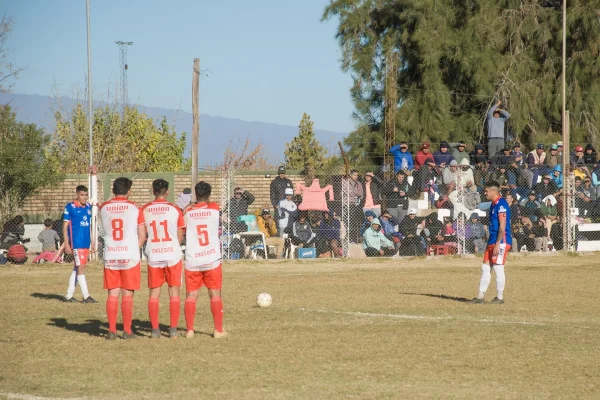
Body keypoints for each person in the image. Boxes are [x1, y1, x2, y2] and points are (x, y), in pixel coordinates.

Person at [99, 177, 146, 340]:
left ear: (113, 190)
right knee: (127, 294)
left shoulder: (104, 208)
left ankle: (111, 331)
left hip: (111, 254)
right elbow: (142, 234)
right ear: (129, 191)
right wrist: (134, 249)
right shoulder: (135, 208)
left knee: (113, 293)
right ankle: (127, 330)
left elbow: (104, 207)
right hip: (129, 255)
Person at [141, 179, 185, 339]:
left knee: (154, 293)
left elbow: (141, 232)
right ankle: (173, 330)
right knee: (174, 293)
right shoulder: (175, 209)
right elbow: (180, 234)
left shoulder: (145, 209)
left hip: (154, 253)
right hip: (172, 254)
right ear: (167, 192)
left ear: (153, 192)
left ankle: (154, 330)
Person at [183, 181, 226, 339]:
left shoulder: (187, 212)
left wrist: (191, 206)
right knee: (215, 295)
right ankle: (218, 330)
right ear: (209, 194)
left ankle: (189, 330)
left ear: (195, 194)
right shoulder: (214, 208)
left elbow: (186, 218)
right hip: (211, 259)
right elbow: (210, 204)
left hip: (193, 259)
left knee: (191, 296)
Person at [471, 180, 511, 304]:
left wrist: (498, 243)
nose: (485, 193)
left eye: (487, 191)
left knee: (499, 268)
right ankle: (480, 297)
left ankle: (499, 298)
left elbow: (502, 227)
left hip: (501, 240)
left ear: (493, 191)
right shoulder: (493, 204)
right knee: (485, 267)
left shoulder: (501, 205)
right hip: (492, 239)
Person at [62, 185, 97, 303]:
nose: (84, 198)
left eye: (86, 195)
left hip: (85, 242)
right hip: (77, 243)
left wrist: (92, 242)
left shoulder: (88, 207)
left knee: (77, 269)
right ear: (77, 194)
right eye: (82, 195)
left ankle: (68, 295)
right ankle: (86, 296)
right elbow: (65, 226)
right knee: (81, 269)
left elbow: (89, 226)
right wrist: (67, 243)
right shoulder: (70, 207)